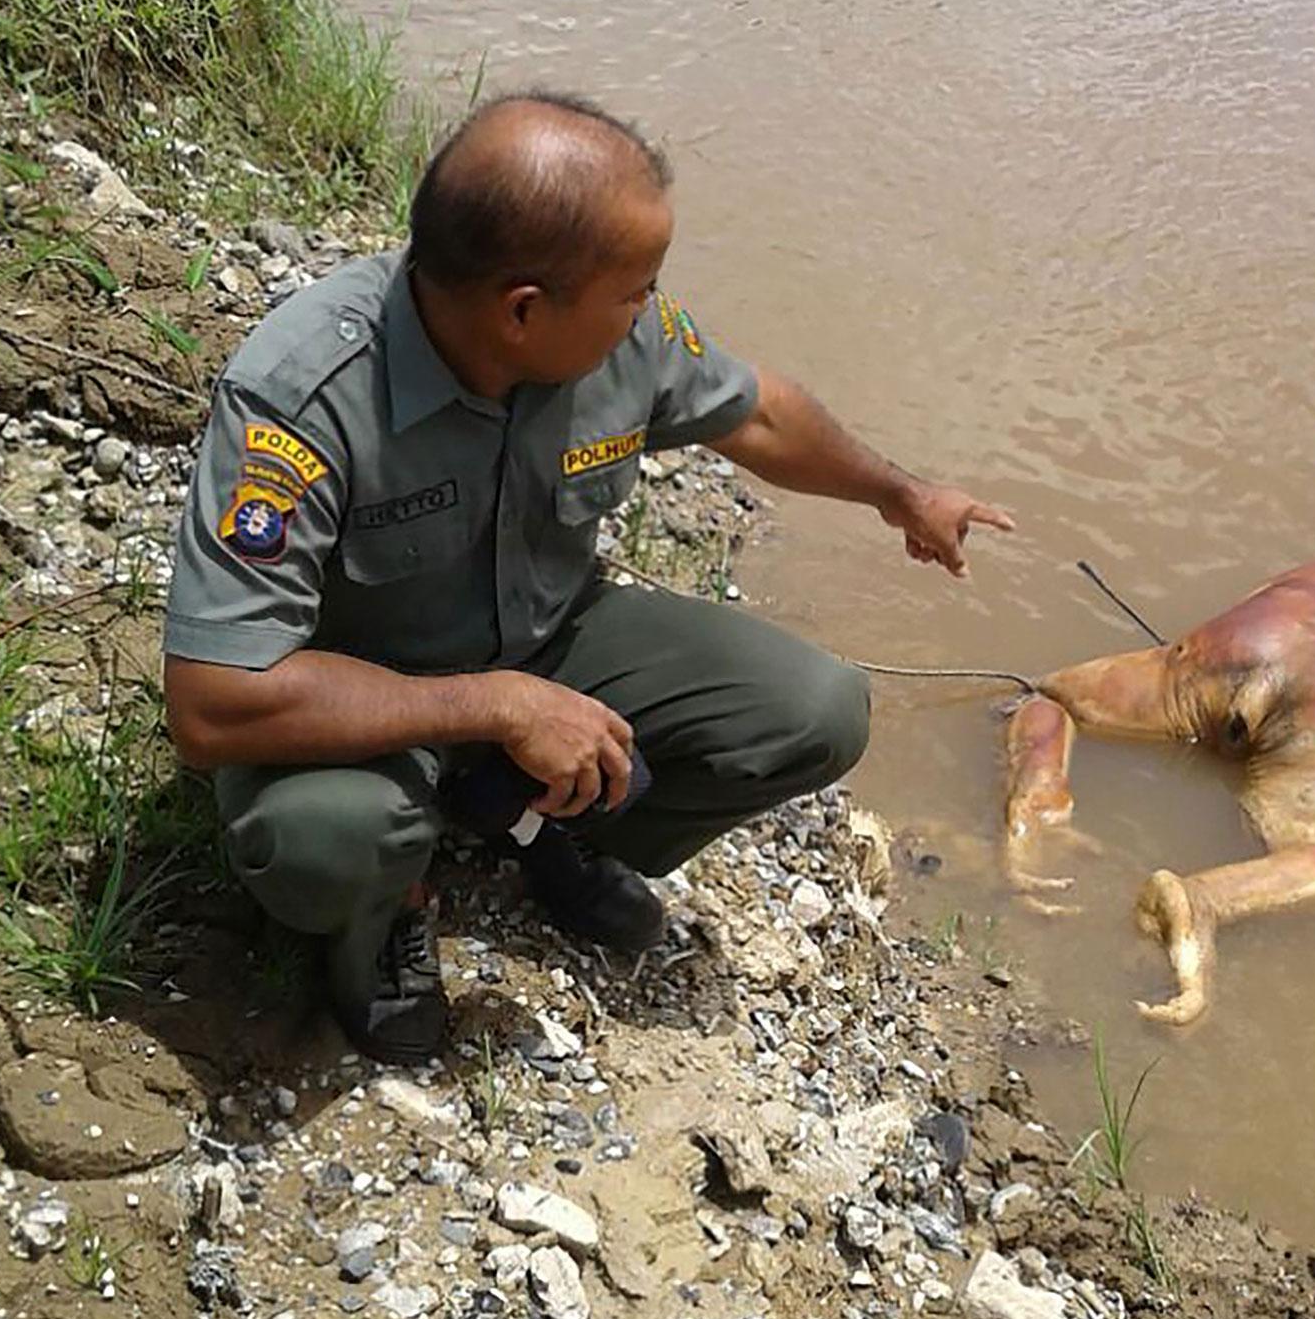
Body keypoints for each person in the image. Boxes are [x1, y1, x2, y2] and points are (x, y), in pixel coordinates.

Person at [161, 91, 1013, 1064]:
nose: (650, 310)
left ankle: (549, 827)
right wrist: (495, 706)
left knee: (813, 710)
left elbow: (759, 413)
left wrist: (900, 494)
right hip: (363, 700)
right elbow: (213, 703)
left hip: (546, 638)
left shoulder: (615, 335)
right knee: (328, 840)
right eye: (636, 289)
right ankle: (389, 908)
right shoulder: (303, 397)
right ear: (523, 310)